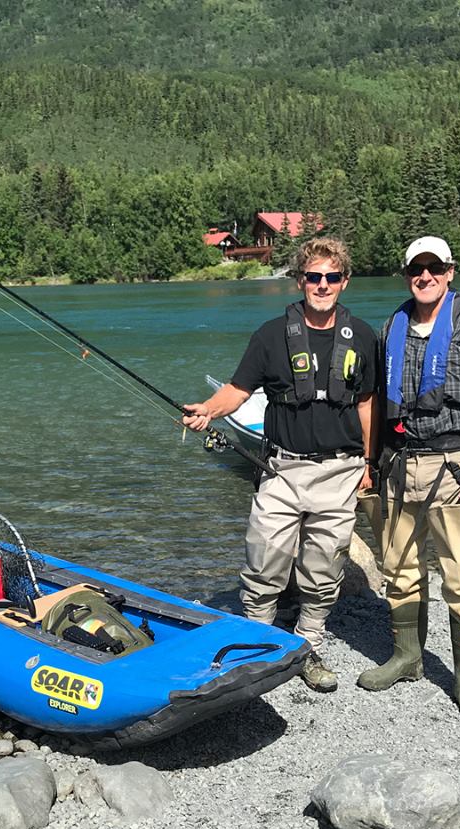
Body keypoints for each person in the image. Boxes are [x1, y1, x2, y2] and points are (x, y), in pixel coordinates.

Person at [184, 237, 378, 692]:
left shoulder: (364, 336)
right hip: (281, 471)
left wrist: (369, 462)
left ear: (344, 282)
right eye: (314, 276)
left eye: (332, 277)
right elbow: (238, 389)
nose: (323, 285)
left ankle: (306, 645)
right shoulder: (270, 335)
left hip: (341, 470)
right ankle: (258, 645)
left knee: (324, 566)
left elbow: (368, 404)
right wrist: (209, 410)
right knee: (264, 561)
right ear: (300, 281)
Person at [357, 236, 460, 728]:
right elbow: (380, 401)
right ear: (406, 274)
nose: (424, 276)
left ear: (450, 272)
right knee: (399, 568)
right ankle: (407, 656)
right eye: (415, 268)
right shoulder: (392, 325)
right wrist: (370, 461)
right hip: (401, 465)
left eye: (434, 267)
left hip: (456, 467)